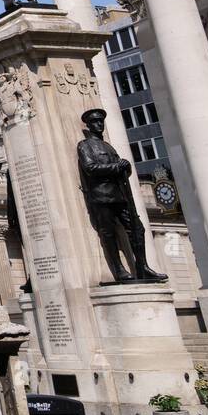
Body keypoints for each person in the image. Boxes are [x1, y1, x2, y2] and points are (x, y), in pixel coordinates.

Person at [76, 108, 168, 284]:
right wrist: (117, 167)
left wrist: (126, 166)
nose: (99, 124)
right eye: (95, 122)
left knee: (138, 229)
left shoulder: (108, 146)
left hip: (120, 195)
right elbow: (90, 168)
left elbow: (122, 170)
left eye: (101, 121)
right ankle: (119, 270)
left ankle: (143, 267)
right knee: (108, 234)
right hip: (101, 196)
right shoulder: (85, 145)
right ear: (88, 124)